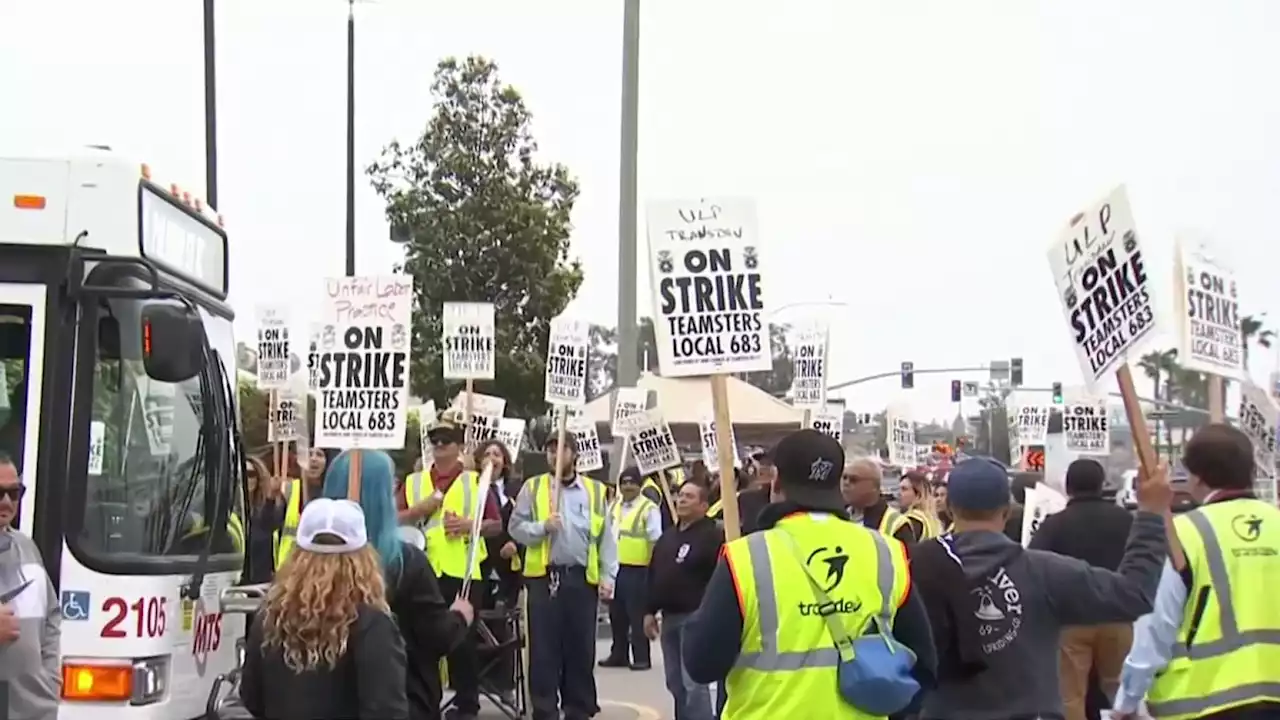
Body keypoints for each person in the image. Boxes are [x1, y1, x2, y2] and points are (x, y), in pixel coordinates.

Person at [682, 429, 938, 717]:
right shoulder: (886, 554)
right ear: (837, 485)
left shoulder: (746, 557)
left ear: (776, 480)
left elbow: (701, 663)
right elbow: (924, 664)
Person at [907, 456, 1168, 720]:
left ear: (950, 509)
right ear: (1007, 510)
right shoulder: (1045, 572)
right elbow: (1134, 594)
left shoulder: (913, 570)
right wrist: (1151, 516)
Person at [1114, 424, 1280, 720]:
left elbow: (1155, 627)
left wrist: (1127, 702)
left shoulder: (1183, 535)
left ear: (1196, 476)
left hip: (1204, 703)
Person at [324, 449, 473, 720]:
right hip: (405, 701)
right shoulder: (405, 564)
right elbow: (435, 636)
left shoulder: (305, 571)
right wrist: (460, 617)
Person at [239, 498, 409, 720]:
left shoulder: (270, 617)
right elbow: (387, 710)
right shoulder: (371, 625)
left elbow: (252, 698)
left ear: (297, 557)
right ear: (364, 558)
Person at [508, 433, 618, 720]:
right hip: (544, 579)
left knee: (580, 648)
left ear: (575, 454)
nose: (555, 455)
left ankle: (579, 707)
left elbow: (606, 539)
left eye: (562, 449)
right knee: (544, 649)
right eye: (550, 449)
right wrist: (542, 527)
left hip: (581, 580)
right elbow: (516, 527)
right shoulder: (533, 488)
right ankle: (544, 708)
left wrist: (609, 577)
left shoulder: (594, 491)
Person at [401, 418, 501, 720]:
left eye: (447, 441)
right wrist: (420, 510)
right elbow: (394, 517)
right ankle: (424, 702)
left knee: (462, 642)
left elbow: (496, 526)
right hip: (424, 570)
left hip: (464, 572)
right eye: (436, 441)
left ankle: (466, 705)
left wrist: (470, 526)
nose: (440, 446)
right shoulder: (414, 482)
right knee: (421, 640)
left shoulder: (475, 482)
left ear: (459, 447)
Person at [1029, 458, 1135, 720]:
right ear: (1102, 484)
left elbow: (1032, 566)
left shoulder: (1054, 524)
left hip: (1070, 623)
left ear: (1068, 487)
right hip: (1118, 618)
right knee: (1120, 694)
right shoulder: (1126, 521)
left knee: (1070, 698)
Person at [645, 480, 723, 720]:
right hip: (670, 619)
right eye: (680, 495)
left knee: (694, 685)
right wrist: (649, 611)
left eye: (689, 496)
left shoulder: (714, 535)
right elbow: (654, 575)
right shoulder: (667, 538)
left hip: (697, 617)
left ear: (703, 505)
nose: (681, 500)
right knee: (675, 682)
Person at [0, 452, 59, 720]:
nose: (6, 501)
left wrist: (49, 681)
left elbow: (52, 619)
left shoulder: (27, 546)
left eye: (14, 493)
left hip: (33, 709)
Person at [600, 467, 662, 670]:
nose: (627, 487)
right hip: (616, 568)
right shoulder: (614, 506)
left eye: (631, 483)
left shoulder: (649, 508)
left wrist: (653, 570)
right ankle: (619, 654)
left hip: (638, 569)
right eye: (624, 483)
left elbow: (654, 539)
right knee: (616, 615)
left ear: (639, 485)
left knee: (637, 615)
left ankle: (641, 657)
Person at [478, 438, 523, 707]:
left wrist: (515, 543)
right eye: (487, 454)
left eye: (497, 454)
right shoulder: (473, 486)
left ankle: (505, 685)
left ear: (504, 462)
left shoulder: (516, 490)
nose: (492, 458)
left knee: (504, 628)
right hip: (481, 565)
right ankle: (477, 684)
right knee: (478, 629)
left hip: (508, 570)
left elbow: (525, 521)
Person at [273, 446, 331, 567]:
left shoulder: (334, 492)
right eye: (309, 454)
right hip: (291, 567)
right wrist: (271, 499)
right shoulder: (288, 489)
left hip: (323, 567)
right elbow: (270, 525)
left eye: (319, 454)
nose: (313, 459)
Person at [843, 457, 916, 544]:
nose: (846, 483)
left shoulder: (897, 524)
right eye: (844, 478)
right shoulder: (837, 515)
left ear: (874, 486)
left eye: (854, 480)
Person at [244, 456, 285, 584]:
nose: (245, 478)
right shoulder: (227, 510)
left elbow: (268, 524)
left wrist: (271, 498)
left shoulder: (271, 506)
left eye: (250, 474)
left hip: (261, 584)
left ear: (259, 479)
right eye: (241, 473)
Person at [900, 470, 944, 540]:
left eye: (904, 489)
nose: (899, 493)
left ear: (919, 494)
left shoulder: (912, 520)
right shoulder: (933, 520)